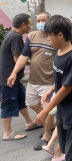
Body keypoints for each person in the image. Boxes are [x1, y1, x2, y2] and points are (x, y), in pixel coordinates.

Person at [35, 15, 72, 161]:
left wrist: (46, 110)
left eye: (50, 36)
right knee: (68, 150)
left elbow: (66, 88)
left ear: (60, 35)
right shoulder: (59, 52)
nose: (48, 39)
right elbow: (62, 80)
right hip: (64, 110)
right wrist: (51, 89)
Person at [7, 12, 57, 150]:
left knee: (48, 109)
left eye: (43, 20)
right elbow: (23, 56)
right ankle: (52, 123)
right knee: (32, 104)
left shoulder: (54, 37)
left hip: (48, 82)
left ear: (50, 21)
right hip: (33, 80)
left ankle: (46, 135)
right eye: (38, 20)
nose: (40, 22)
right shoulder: (32, 36)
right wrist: (14, 73)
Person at [0, 13, 36, 141]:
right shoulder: (15, 37)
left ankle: (30, 122)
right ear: (23, 25)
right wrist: (36, 62)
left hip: (14, 79)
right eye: (29, 24)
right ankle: (7, 132)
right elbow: (18, 59)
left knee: (22, 100)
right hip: (8, 79)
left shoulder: (13, 35)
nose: (30, 27)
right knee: (7, 103)